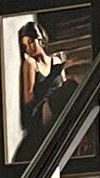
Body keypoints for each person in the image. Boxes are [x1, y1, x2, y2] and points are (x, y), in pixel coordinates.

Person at [15, 21, 76, 162]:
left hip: (57, 104)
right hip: (41, 111)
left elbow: (63, 84)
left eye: (31, 42)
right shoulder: (30, 64)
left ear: (40, 39)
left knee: (71, 87)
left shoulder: (56, 61)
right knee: (69, 87)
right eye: (25, 46)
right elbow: (28, 98)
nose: (29, 48)